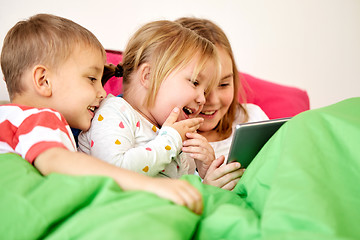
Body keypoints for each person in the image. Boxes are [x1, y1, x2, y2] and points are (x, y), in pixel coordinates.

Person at [0, 13, 203, 215]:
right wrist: (150, 186)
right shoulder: (37, 119)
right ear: (44, 81)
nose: (103, 92)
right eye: (91, 79)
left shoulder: (17, 120)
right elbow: (62, 164)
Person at [78, 20, 220, 180]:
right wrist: (170, 141)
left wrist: (204, 172)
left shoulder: (172, 133)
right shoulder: (114, 112)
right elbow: (115, 171)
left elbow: (182, 189)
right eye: (194, 82)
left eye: (205, 91)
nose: (202, 99)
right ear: (149, 76)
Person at [176, 17, 269, 189]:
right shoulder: (168, 142)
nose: (211, 100)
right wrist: (208, 187)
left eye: (224, 84)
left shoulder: (252, 118)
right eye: (197, 84)